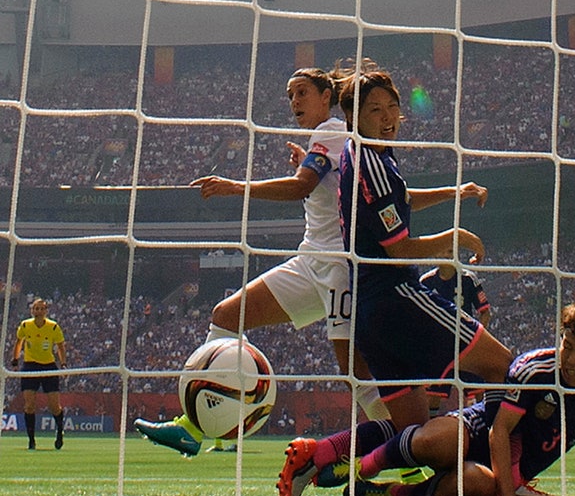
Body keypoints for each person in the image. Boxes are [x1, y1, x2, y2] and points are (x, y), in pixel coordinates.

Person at [133, 67, 401, 455]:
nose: (294, 102)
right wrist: (307, 160)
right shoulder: (329, 138)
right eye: (290, 95)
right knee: (226, 315)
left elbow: (301, 187)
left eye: (303, 92)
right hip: (312, 262)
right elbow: (322, 183)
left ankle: (409, 453)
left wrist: (235, 187)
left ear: (327, 96)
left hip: (340, 268)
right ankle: (194, 425)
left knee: (356, 374)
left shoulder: (332, 131)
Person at [275, 63, 512, 496]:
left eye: (393, 107)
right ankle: (516, 476)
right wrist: (452, 238)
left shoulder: (357, 156)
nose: (387, 117)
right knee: (508, 370)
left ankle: (322, 454)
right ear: (353, 117)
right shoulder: (374, 161)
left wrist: (451, 192)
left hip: (368, 314)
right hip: (398, 298)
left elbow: (396, 200)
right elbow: (399, 249)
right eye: (374, 109)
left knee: (414, 431)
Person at [281, 302, 575, 496]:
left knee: (478, 485)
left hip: (501, 465)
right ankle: (350, 464)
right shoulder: (534, 370)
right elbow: (498, 430)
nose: (570, 359)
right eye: (567, 346)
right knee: (433, 440)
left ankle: (385, 494)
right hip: (480, 430)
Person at [11, 298, 67, 450]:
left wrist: (63, 364)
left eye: (42, 309)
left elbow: (61, 346)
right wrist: (15, 359)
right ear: (32, 311)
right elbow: (19, 343)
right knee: (29, 405)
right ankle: (31, 440)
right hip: (30, 366)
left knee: (54, 406)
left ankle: (60, 430)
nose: (39, 312)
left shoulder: (53, 327)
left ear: (46, 311)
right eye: (36, 309)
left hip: (48, 366)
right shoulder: (25, 325)